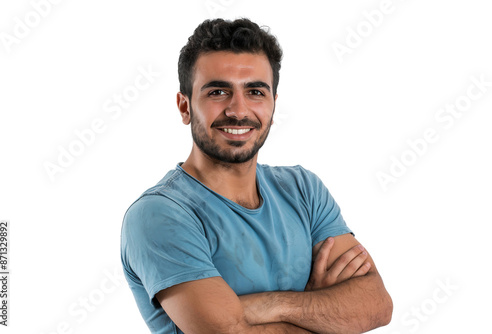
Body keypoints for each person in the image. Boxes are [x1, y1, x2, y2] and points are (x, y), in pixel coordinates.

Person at [120, 18, 393, 333]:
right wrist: (319, 308)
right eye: (218, 92)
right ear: (185, 107)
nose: (238, 110)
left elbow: (376, 305)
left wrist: (274, 304)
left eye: (255, 92)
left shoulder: (303, 190)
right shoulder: (160, 214)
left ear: (273, 106)